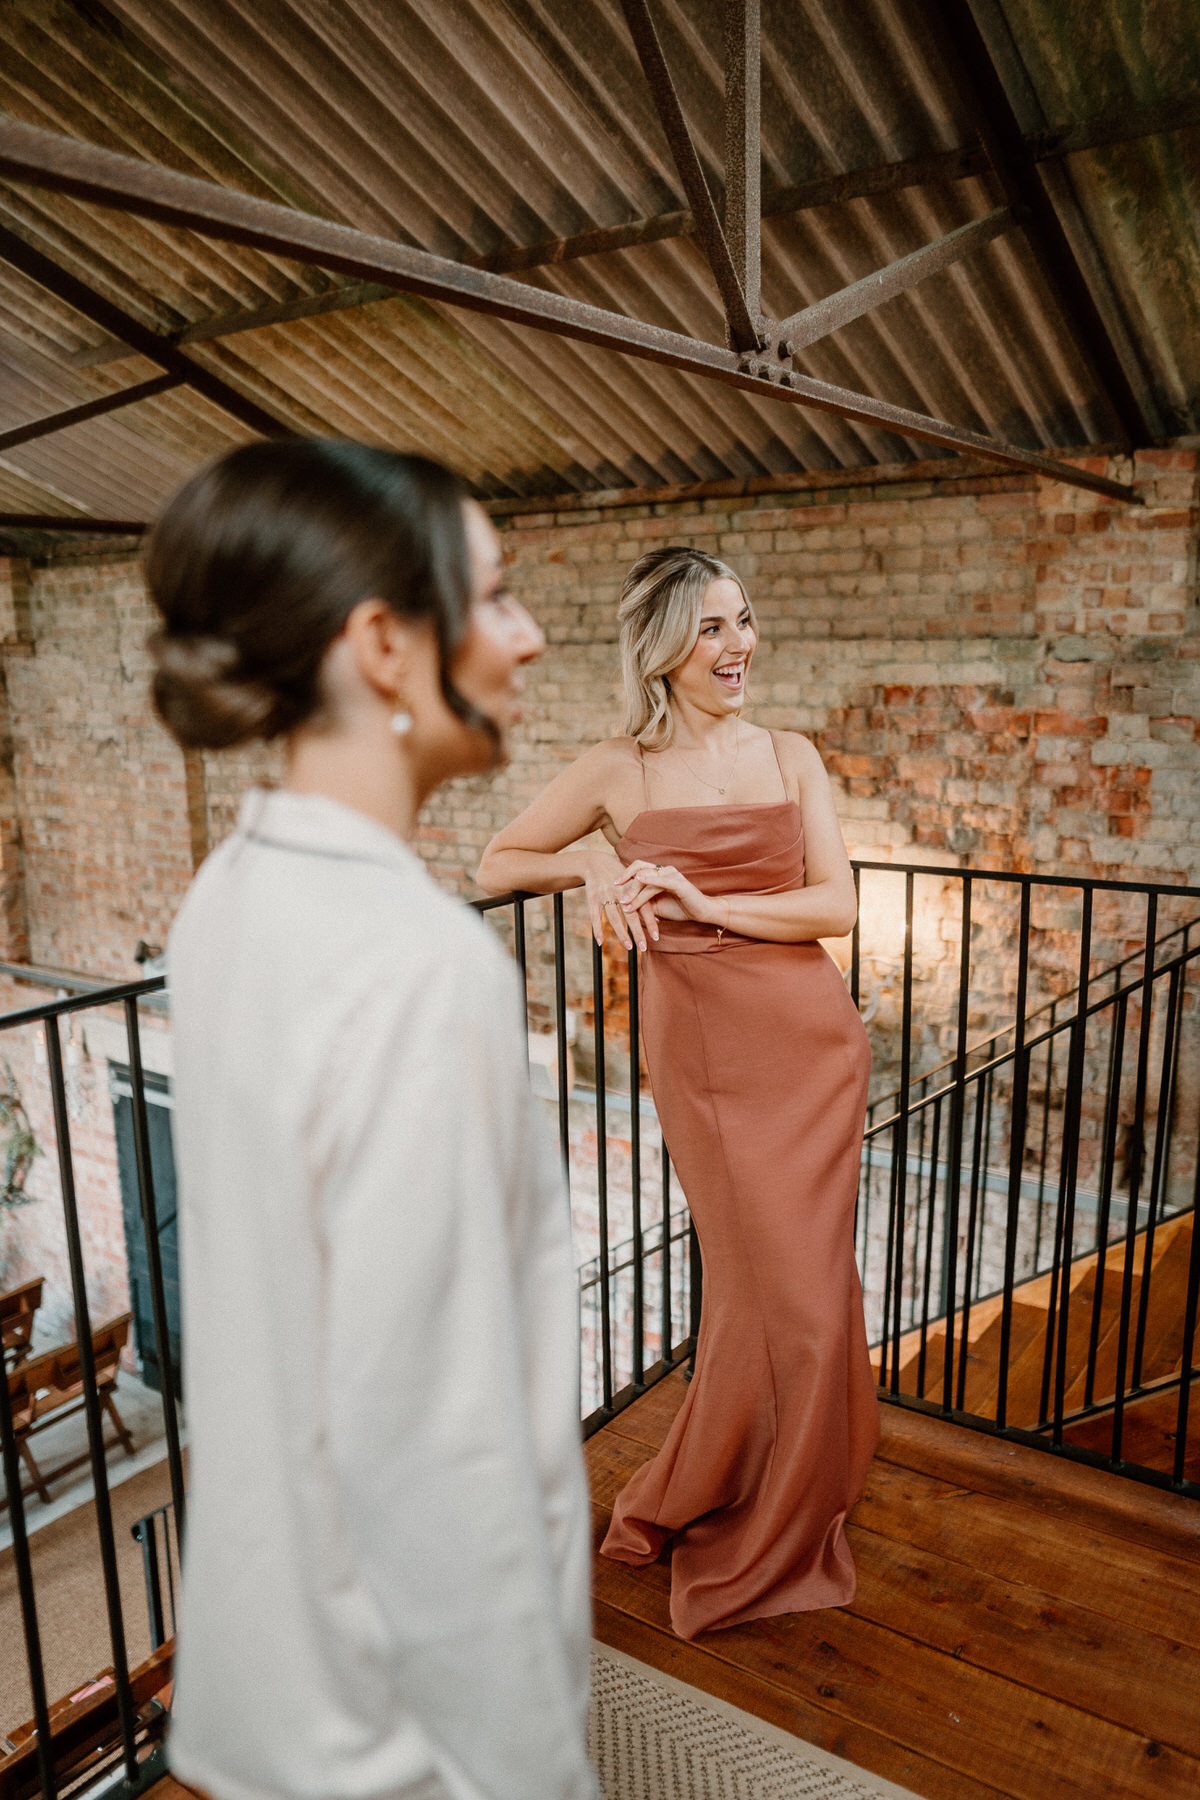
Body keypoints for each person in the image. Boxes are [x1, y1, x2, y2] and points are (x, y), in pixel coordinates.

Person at [147, 440, 596, 1800]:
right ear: (385, 645)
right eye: (499, 595)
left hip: (273, 1692)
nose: (525, 639)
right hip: (402, 1747)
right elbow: (440, 1450)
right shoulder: (418, 965)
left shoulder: (230, 891)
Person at [477, 544, 879, 1641]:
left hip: (811, 1044)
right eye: (712, 628)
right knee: (770, 1291)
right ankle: (741, 1484)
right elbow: (496, 861)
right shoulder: (618, 770)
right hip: (705, 1060)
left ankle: (786, 1508)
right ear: (662, 649)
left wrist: (702, 899)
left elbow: (835, 905)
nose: (739, 645)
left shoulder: (791, 755)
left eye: (743, 621)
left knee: (803, 1291)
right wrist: (591, 868)